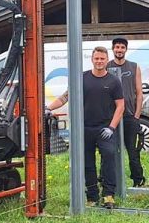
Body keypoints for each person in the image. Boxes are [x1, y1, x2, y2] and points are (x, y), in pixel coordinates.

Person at [47, 46, 124, 208]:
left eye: (102, 59)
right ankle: (92, 196)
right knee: (88, 163)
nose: (99, 61)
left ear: (106, 60)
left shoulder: (113, 81)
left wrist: (111, 127)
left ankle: (109, 195)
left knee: (109, 158)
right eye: (96, 58)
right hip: (85, 129)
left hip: (105, 128)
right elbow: (65, 97)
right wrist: (48, 108)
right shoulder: (82, 78)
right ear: (92, 59)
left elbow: (120, 106)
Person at [106, 37, 146, 187]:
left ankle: (138, 180)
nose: (119, 50)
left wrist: (136, 115)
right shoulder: (107, 66)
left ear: (126, 49)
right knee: (110, 151)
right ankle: (109, 180)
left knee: (133, 152)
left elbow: (139, 93)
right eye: (117, 47)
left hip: (129, 116)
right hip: (111, 117)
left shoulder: (134, 67)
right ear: (113, 49)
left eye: (122, 47)